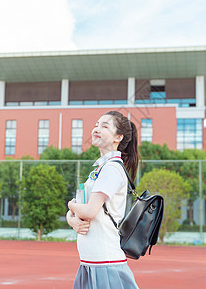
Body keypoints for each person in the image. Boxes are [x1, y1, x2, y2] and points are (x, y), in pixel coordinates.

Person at [66, 110, 139, 289]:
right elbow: (82, 207)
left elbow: (89, 211)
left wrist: (70, 205)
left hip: (105, 262)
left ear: (118, 137)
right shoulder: (101, 168)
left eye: (104, 126)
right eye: (96, 125)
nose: (96, 129)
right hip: (91, 261)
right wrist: (71, 219)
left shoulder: (112, 169)